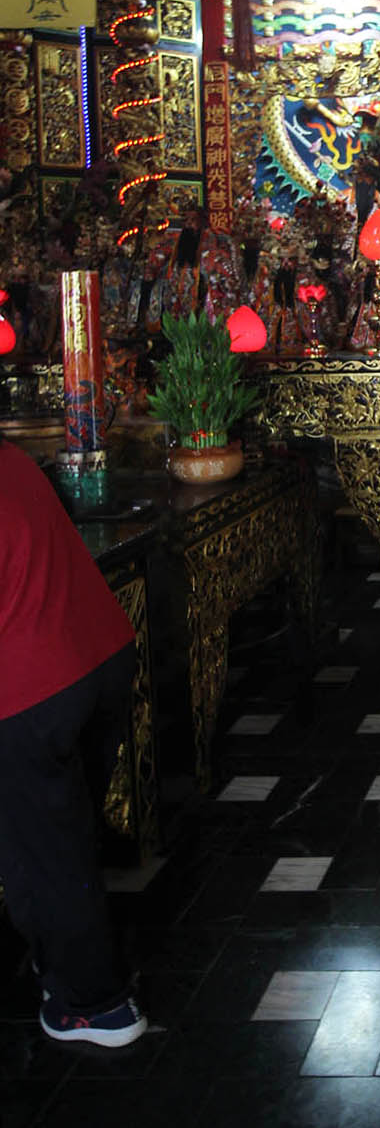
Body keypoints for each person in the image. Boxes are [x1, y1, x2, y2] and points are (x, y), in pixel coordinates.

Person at [0, 433, 146, 1046]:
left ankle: (97, 1005)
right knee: (53, 834)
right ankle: (55, 959)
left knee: (49, 850)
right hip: (101, 657)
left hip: (34, 689)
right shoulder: (11, 458)